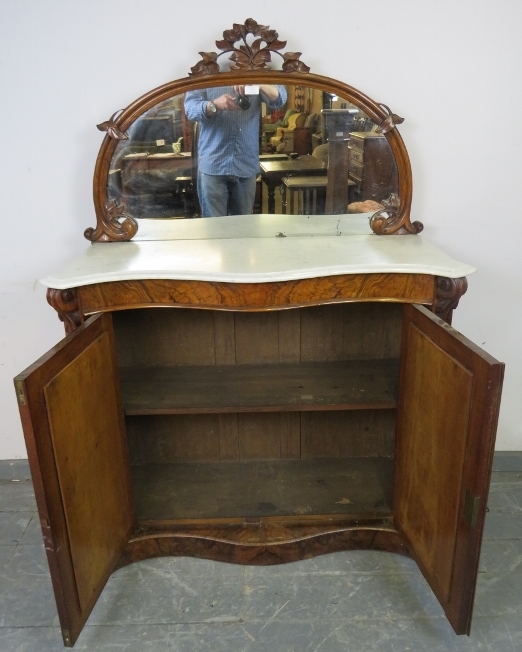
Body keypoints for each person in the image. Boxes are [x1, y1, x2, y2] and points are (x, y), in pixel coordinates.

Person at [184, 85, 287, 217]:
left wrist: (259, 82)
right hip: (214, 163)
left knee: (242, 229)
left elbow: (279, 99)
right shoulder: (207, 69)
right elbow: (190, 109)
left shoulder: (255, 68)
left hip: (245, 162)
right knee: (214, 229)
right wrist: (215, 105)